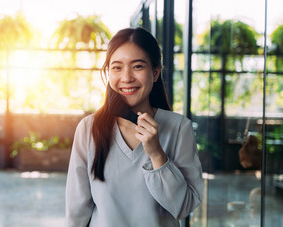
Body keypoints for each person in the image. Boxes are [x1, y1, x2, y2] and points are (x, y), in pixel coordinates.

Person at [65, 27, 203, 227]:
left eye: (137, 66)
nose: (126, 77)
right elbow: (76, 210)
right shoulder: (89, 129)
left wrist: (157, 154)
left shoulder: (179, 128)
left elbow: (184, 207)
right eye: (117, 67)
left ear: (155, 73)